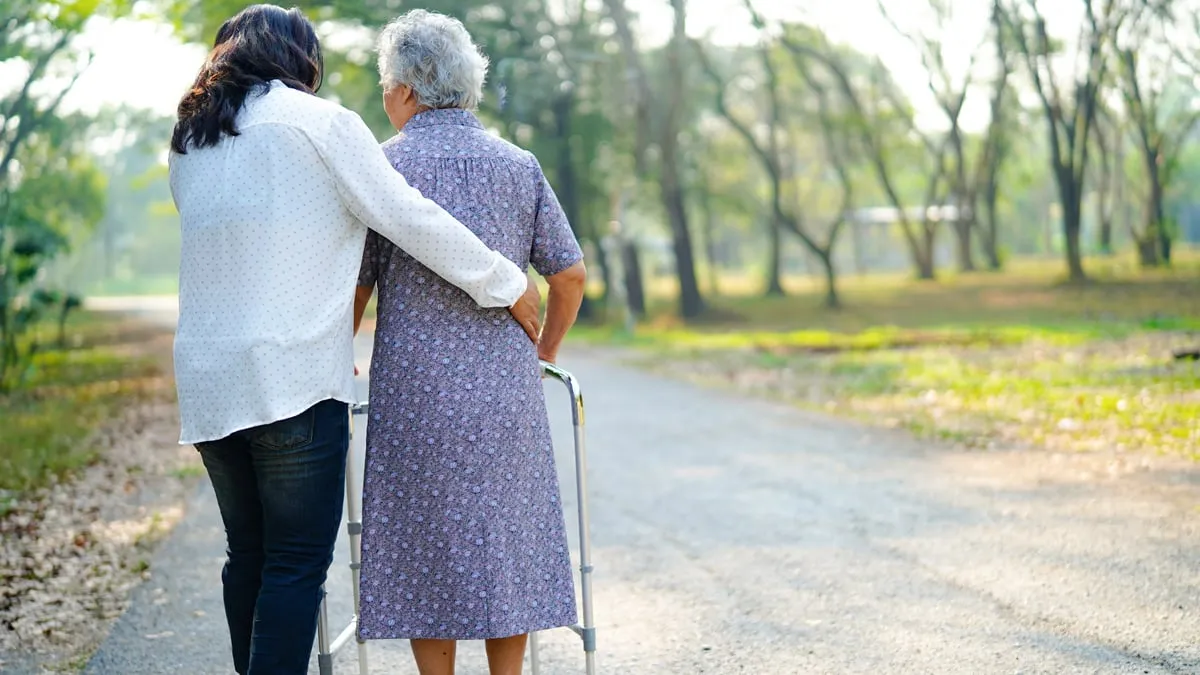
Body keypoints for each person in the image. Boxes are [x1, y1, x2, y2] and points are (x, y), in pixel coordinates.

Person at [168, 5, 543, 674]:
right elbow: (408, 217)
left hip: (208, 379)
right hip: (292, 378)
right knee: (293, 564)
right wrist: (506, 280)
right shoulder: (320, 124)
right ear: (300, 60)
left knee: (246, 554)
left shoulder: (192, 138)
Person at [351, 10, 588, 675]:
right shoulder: (518, 165)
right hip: (507, 394)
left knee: (430, 548)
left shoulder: (381, 169)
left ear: (404, 88)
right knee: (503, 545)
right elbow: (568, 274)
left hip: (415, 394)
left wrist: (331, 359)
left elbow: (355, 289)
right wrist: (544, 353)